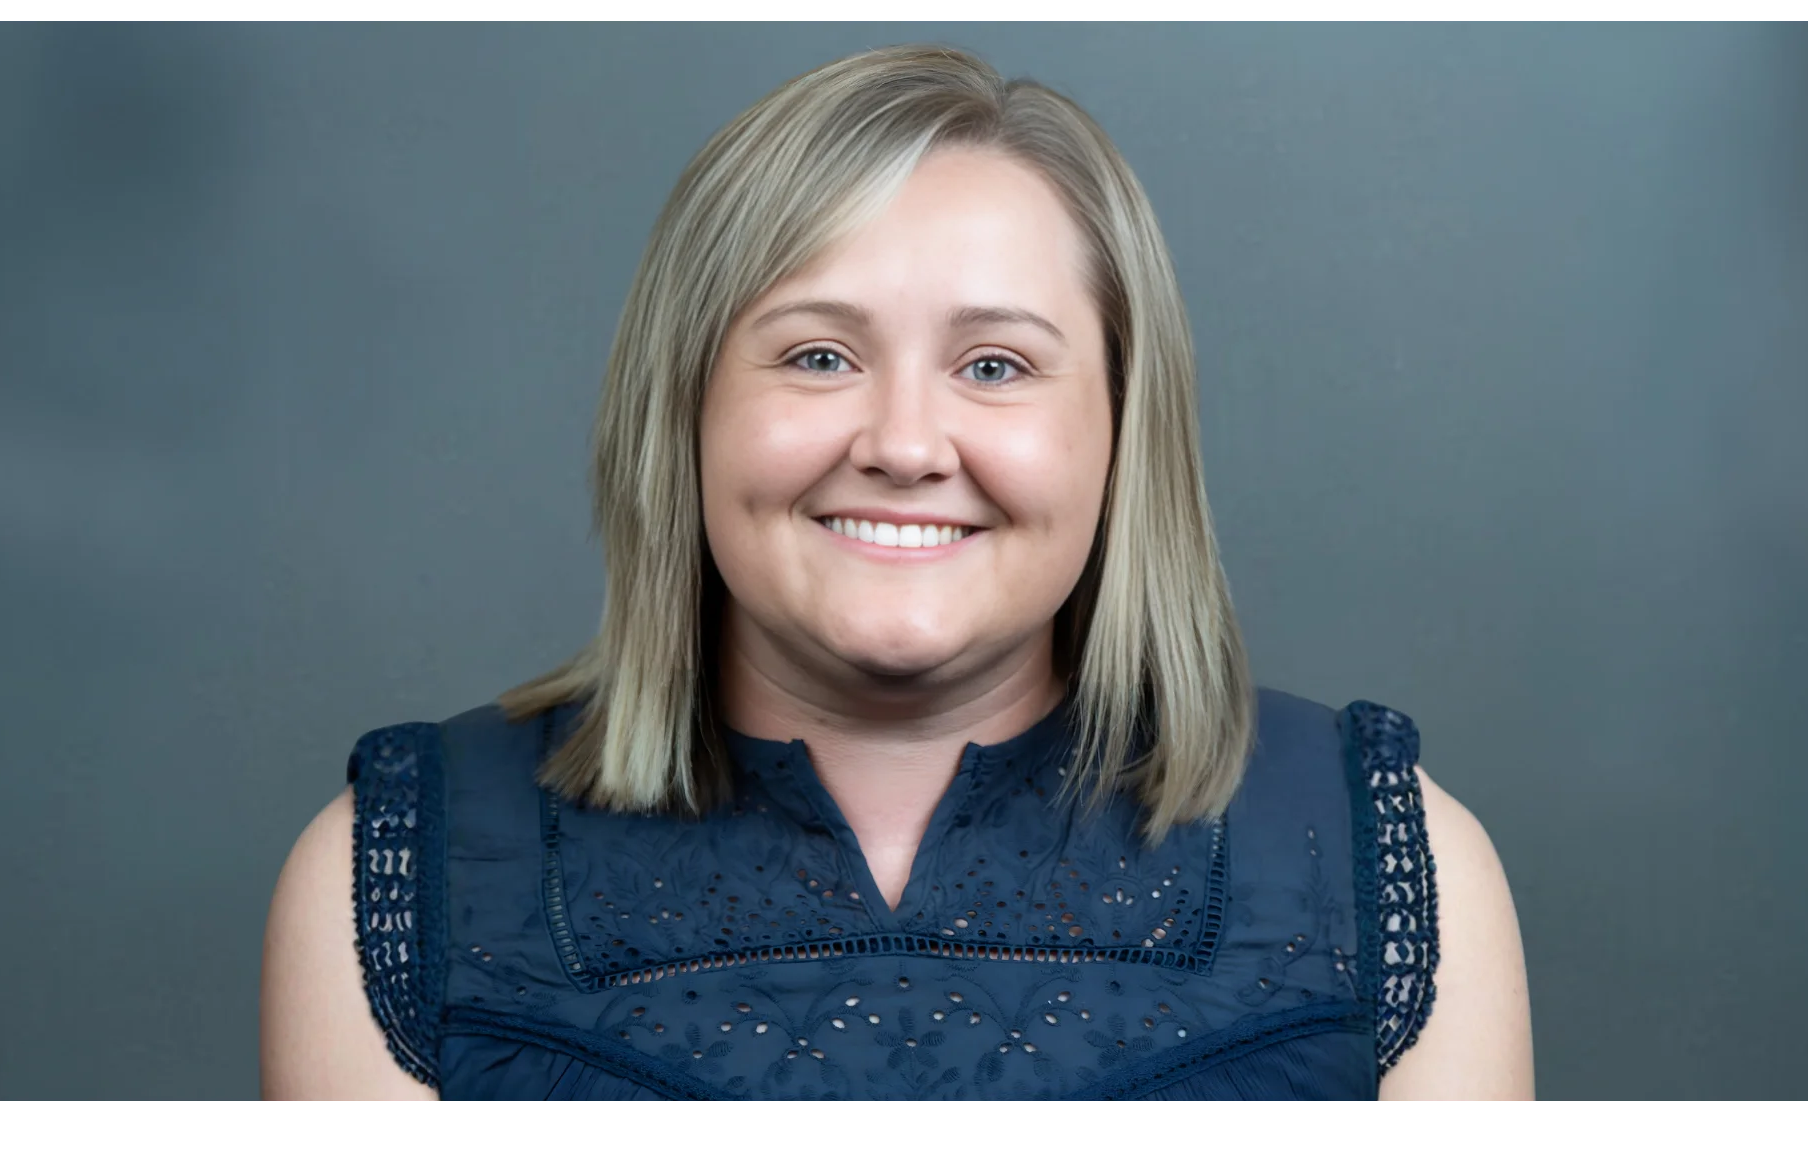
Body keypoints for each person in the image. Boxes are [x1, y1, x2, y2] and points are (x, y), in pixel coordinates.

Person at [260, 43, 1532, 1103]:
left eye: (995, 365)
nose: (905, 446)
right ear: (684, 412)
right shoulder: (400, 872)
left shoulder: (1393, 859)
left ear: (1121, 429)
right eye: (817, 357)